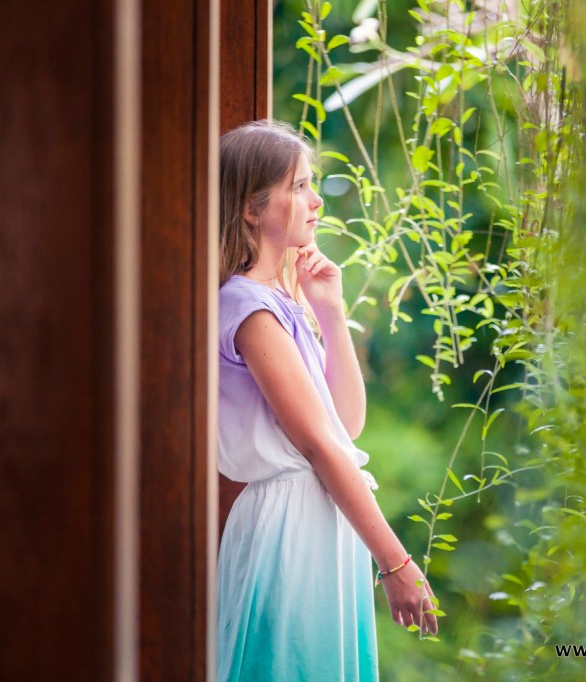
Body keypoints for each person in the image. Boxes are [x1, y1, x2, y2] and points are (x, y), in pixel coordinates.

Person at [216, 119, 438, 681]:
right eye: (299, 187)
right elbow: (320, 446)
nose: (315, 201)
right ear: (251, 208)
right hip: (289, 532)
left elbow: (347, 426)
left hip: (319, 525)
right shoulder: (247, 307)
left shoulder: (280, 300)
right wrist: (396, 561)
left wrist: (330, 312)